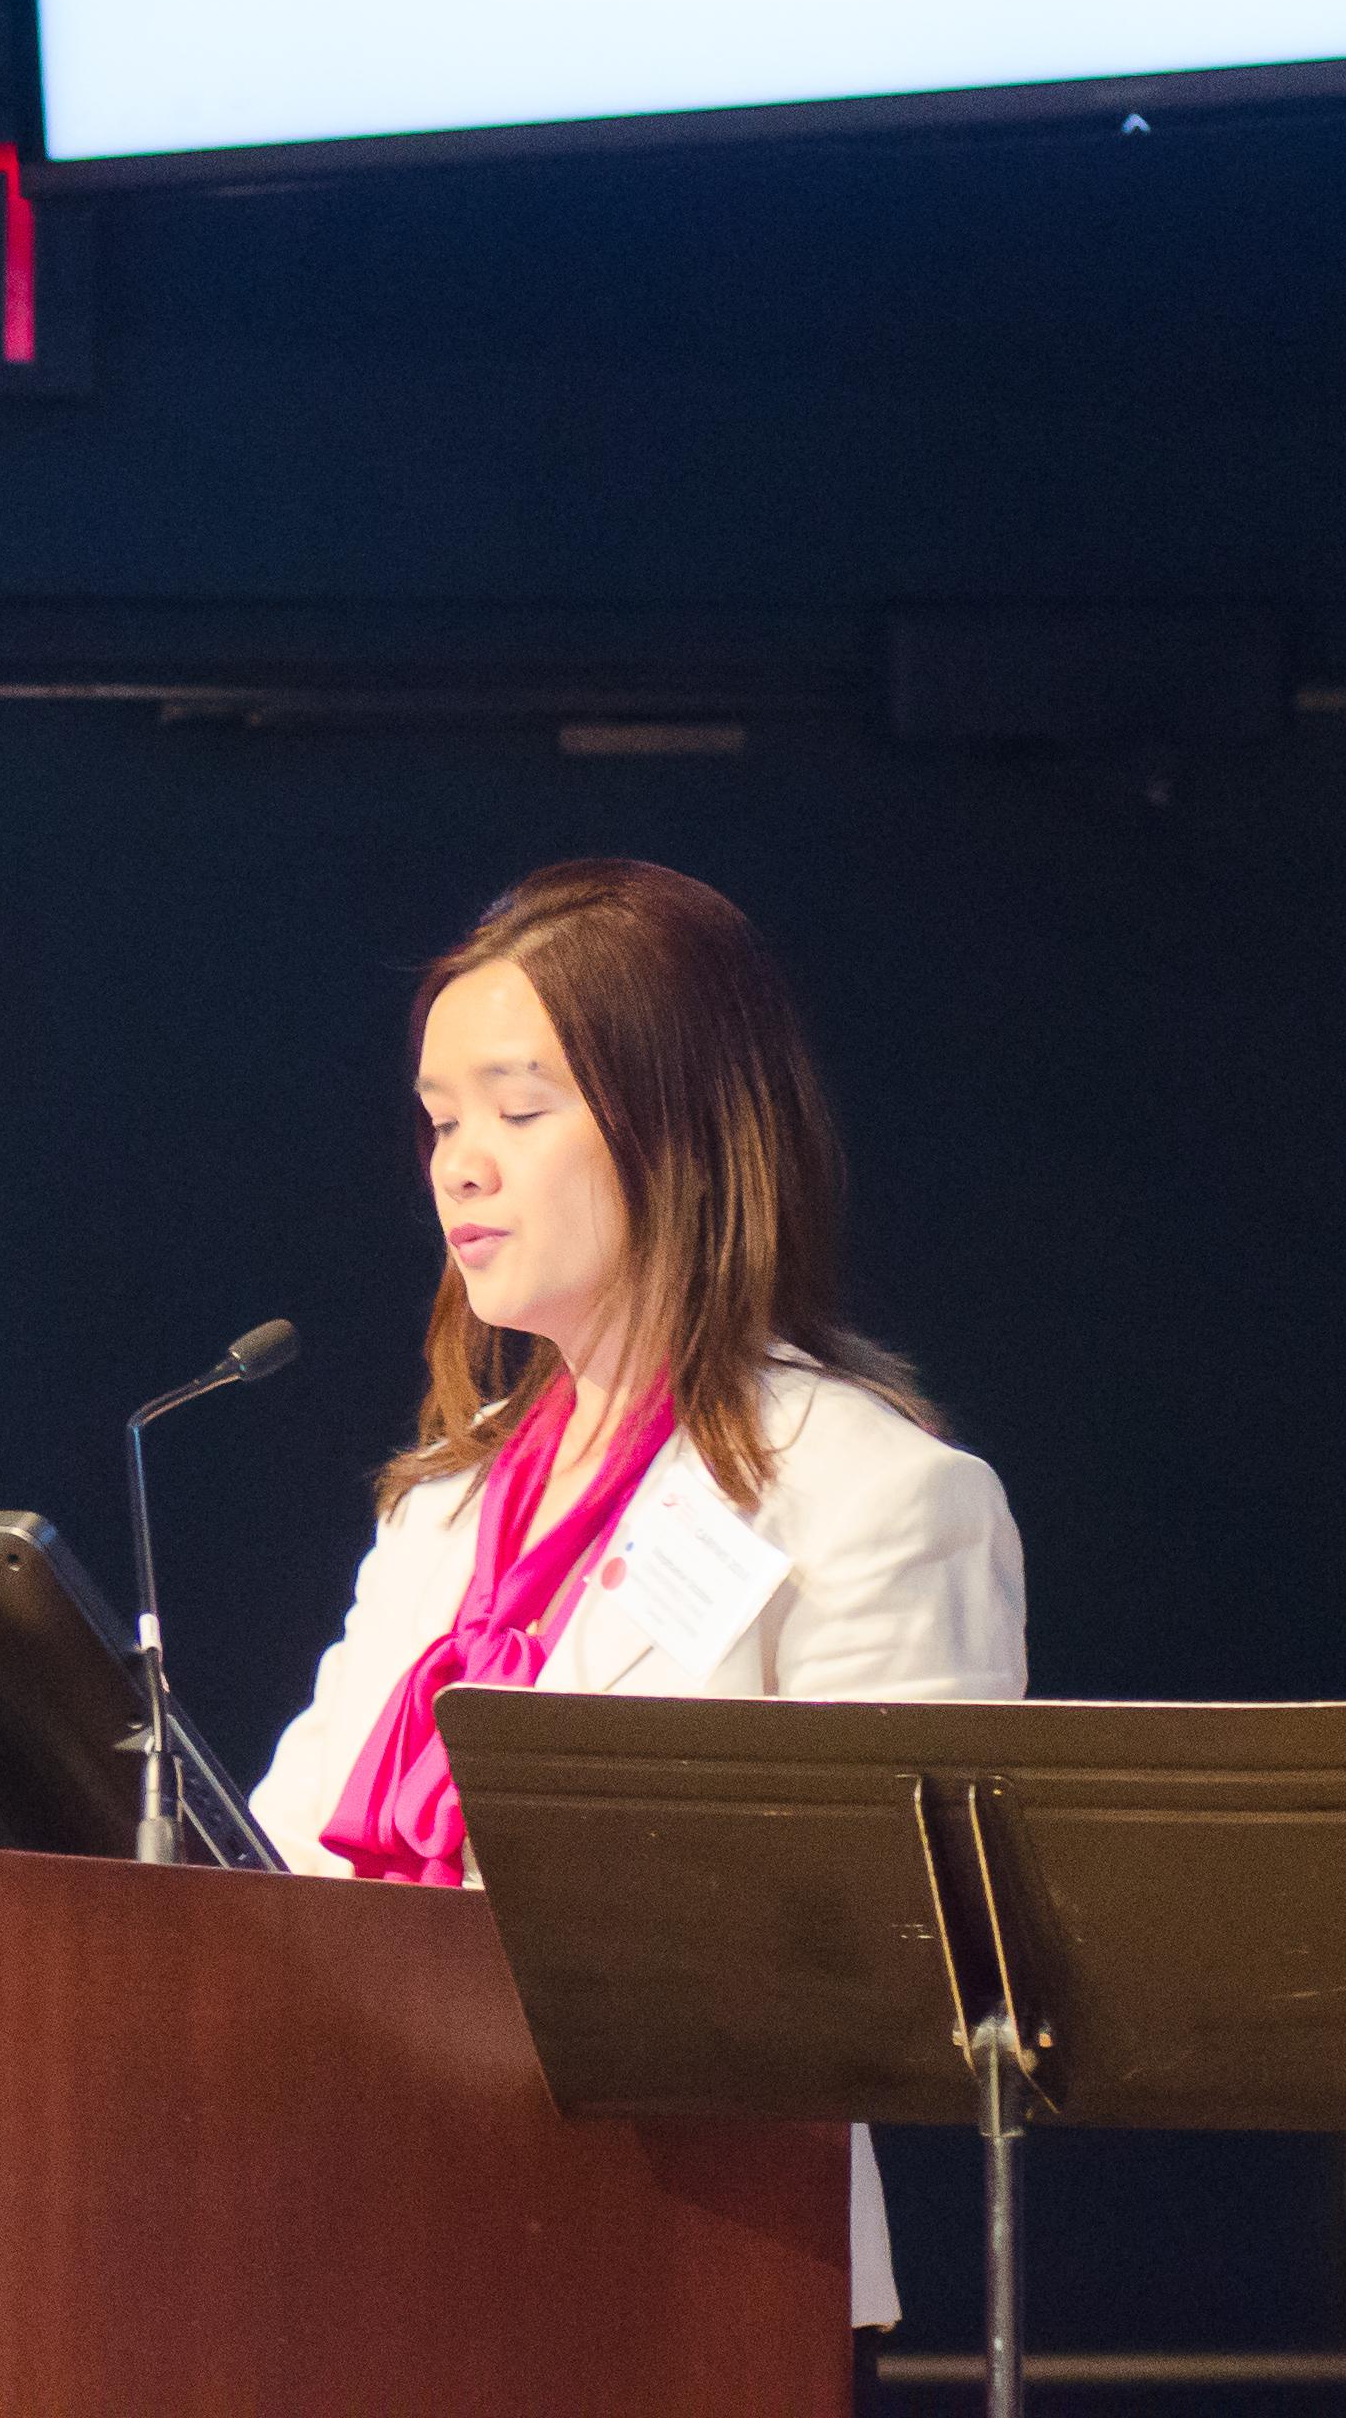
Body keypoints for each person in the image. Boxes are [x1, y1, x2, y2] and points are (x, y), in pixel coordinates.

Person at [248, 858, 1026, 2345]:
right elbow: (273, 1870)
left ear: (682, 1130)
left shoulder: (874, 1494)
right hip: (372, 2228)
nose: (461, 1167)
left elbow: (907, 1969)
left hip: (687, 2268)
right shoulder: (443, 1505)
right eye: (442, 1120)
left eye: (519, 1111)